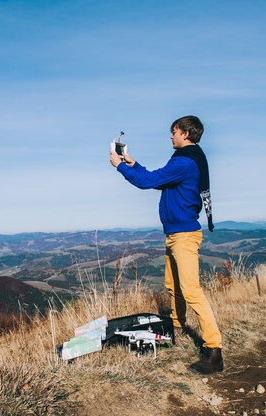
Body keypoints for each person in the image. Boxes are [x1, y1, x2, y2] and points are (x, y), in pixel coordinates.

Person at [109, 115, 223, 374]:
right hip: (176, 234)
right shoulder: (189, 159)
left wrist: (120, 166)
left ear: (184, 133)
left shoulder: (184, 162)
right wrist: (134, 163)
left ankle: (214, 351)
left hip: (183, 236)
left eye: (173, 132)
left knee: (191, 290)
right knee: (174, 287)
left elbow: (148, 182)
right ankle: (178, 327)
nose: (170, 137)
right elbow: (156, 178)